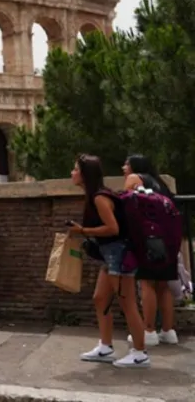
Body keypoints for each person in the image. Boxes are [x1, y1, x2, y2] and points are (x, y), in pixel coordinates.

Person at [69, 154, 149, 368]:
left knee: (127, 301)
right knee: (100, 298)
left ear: (85, 175)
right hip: (110, 254)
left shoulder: (99, 198)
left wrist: (82, 230)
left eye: (76, 169)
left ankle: (140, 353)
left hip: (119, 253)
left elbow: (113, 228)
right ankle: (105, 347)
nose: (72, 173)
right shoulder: (94, 196)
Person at [122, 155, 180, 347]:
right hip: (169, 240)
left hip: (149, 240)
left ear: (135, 167)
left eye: (126, 164)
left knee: (147, 284)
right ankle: (168, 331)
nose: (123, 168)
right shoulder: (160, 183)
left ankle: (148, 331)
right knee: (163, 286)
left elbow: (125, 204)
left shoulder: (134, 179)